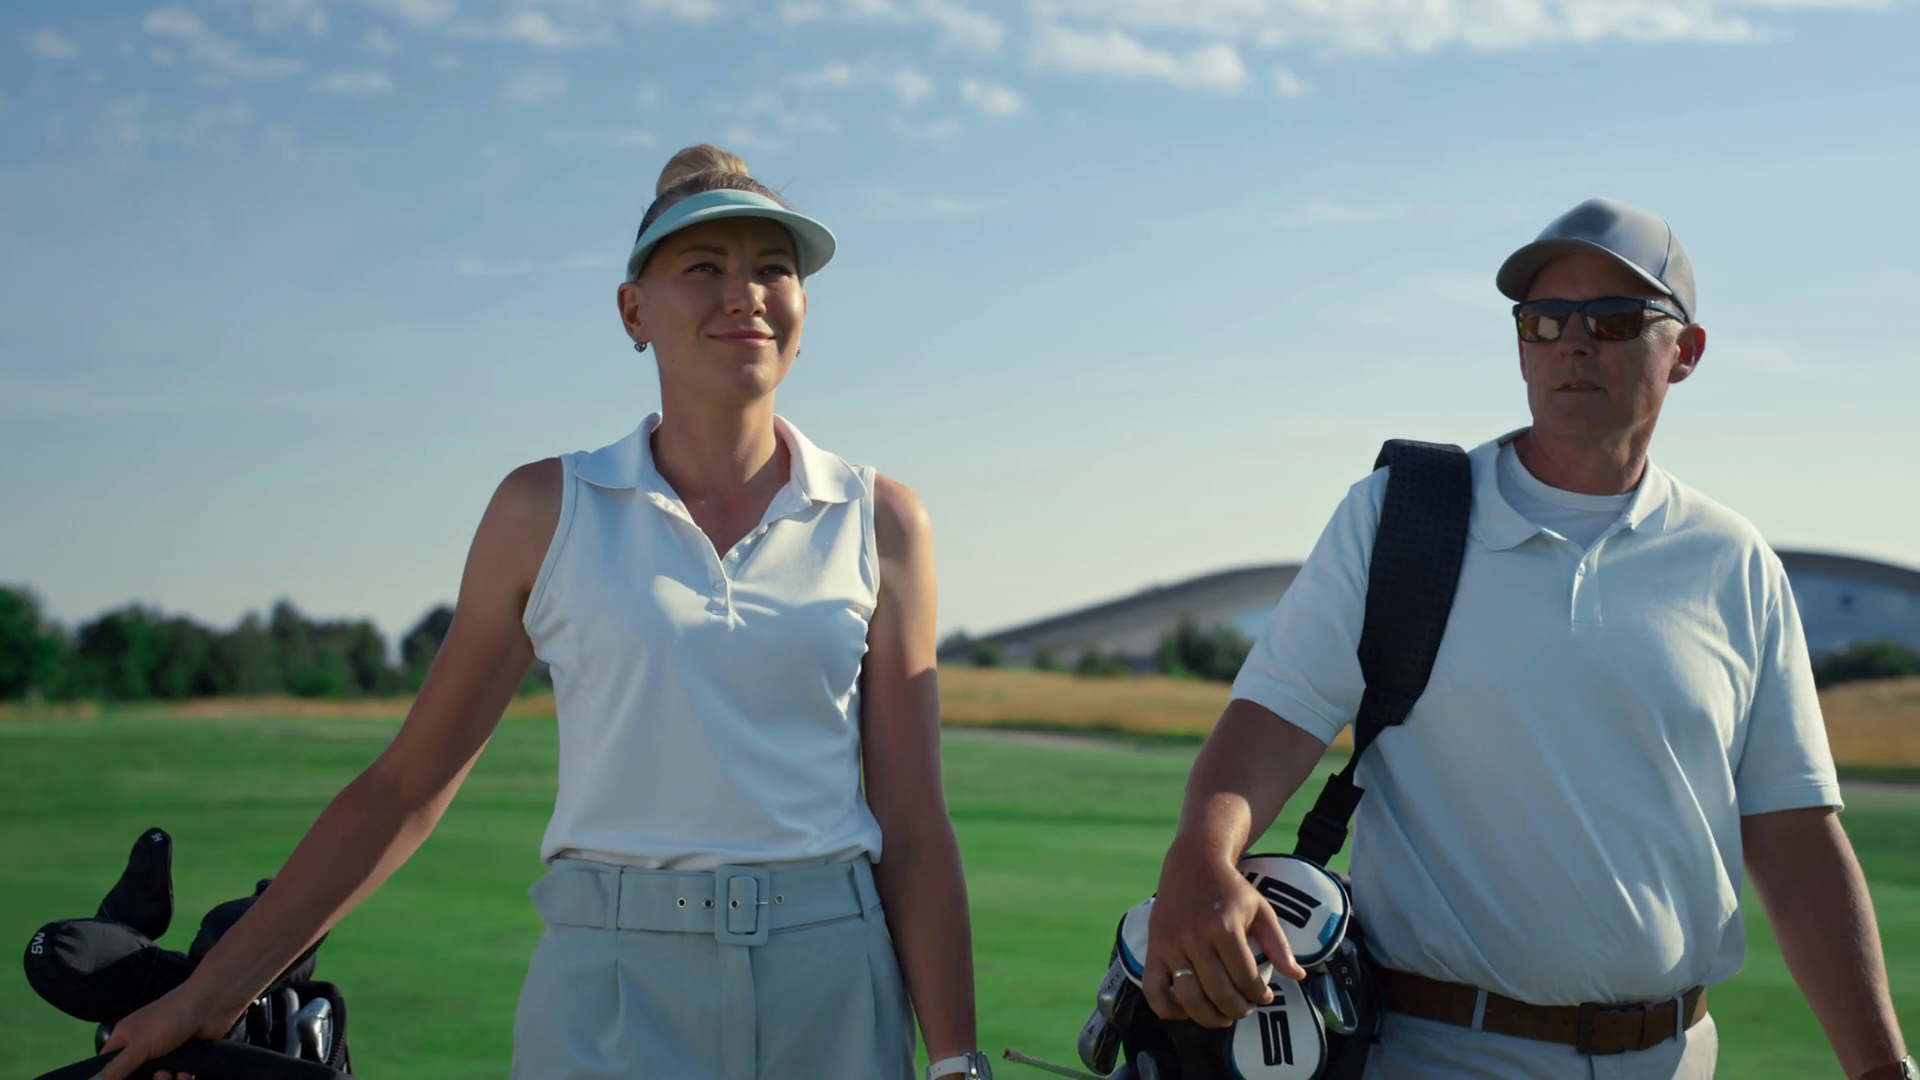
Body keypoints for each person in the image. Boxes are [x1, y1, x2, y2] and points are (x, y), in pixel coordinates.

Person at [92, 144, 990, 1080]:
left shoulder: (881, 518)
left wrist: (957, 1059)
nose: (746, 294)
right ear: (633, 311)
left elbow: (915, 820)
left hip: (833, 981)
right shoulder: (543, 510)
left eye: (774, 268)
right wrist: (209, 995)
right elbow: (407, 787)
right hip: (610, 985)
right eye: (703, 268)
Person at [1142, 198, 1912, 1079]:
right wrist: (1201, 856)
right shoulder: (1400, 517)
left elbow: (1796, 838)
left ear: (1687, 353)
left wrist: (1883, 1068)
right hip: (1438, 1053)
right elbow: (1273, 723)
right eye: (1544, 321)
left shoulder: (1733, 560)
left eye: (1615, 319)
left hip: (1675, 1058)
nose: (1572, 343)